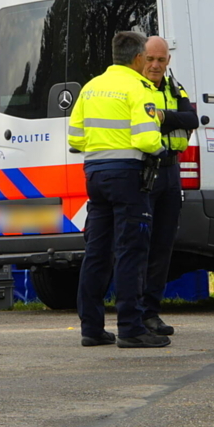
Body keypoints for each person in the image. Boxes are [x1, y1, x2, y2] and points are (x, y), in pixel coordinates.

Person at [69, 31, 171, 349]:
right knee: (131, 251)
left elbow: (75, 138)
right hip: (129, 177)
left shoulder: (91, 87)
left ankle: (92, 328)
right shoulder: (140, 89)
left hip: (95, 175)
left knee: (97, 252)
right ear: (138, 58)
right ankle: (130, 328)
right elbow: (146, 139)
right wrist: (160, 148)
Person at [140, 36, 199, 336]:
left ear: (168, 61)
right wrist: (171, 119)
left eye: (161, 60)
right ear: (141, 58)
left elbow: (192, 119)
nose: (155, 65)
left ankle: (151, 312)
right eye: (150, 59)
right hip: (143, 173)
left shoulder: (173, 87)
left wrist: (163, 116)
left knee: (163, 245)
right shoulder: (135, 87)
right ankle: (135, 312)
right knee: (139, 245)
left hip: (170, 172)